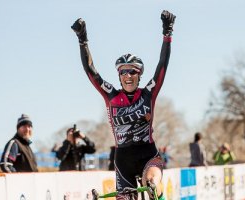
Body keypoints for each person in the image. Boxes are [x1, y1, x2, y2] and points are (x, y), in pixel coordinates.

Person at [71, 10, 176, 200]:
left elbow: (162, 66)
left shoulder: (148, 93)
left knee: (151, 184)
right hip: (123, 160)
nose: (128, 75)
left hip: (148, 154)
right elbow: (91, 71)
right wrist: (82, 40)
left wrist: (167, 33)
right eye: (123, 72)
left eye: (133, 72)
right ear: (119, 76)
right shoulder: (111, 95)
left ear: (139, 75)